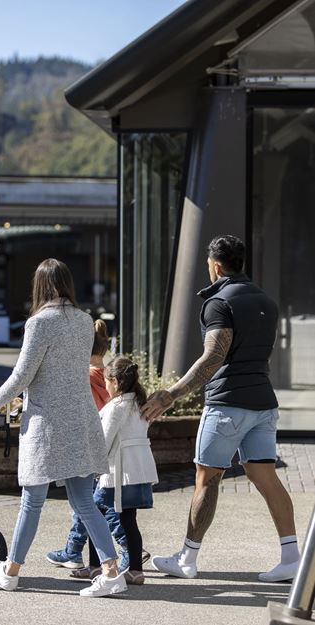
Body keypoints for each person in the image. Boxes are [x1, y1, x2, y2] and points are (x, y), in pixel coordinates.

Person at [142, 234, 300, 582]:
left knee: (207, 478)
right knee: (265, 477)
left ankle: (187, 558)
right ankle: (291, 558)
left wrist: (171, 393)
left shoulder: (218, 302)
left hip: (228, 405)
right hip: (263, 403)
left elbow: (213, 356)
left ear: (215, 265)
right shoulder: (266, 301)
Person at [0, 258, 127, 598]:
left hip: (48, 425)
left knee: (32, 501)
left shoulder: (39, 323)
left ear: (39, 286)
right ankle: (111, 571)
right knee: (85, 503)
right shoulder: (84, 320)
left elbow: (21, 376)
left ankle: (11, 571)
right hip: (80, 419)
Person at [45, 320, 130, 579]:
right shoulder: (108, 375)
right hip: (109, 450)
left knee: (90, 505)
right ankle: (73, 549)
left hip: (89, 447)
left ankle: (128, 548)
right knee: (87, 504)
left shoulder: (87, 377)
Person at [98, 355, 158, 585]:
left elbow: (104, 441)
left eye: (106, 381)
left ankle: (97, 566)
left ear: (115, 381)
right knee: (129, 520)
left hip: (118, 474)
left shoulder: (116, 408)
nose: (104, 385)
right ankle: (135, 570)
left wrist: (93, 466)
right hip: (138, 471)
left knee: (94, 512)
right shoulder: (140, 404)